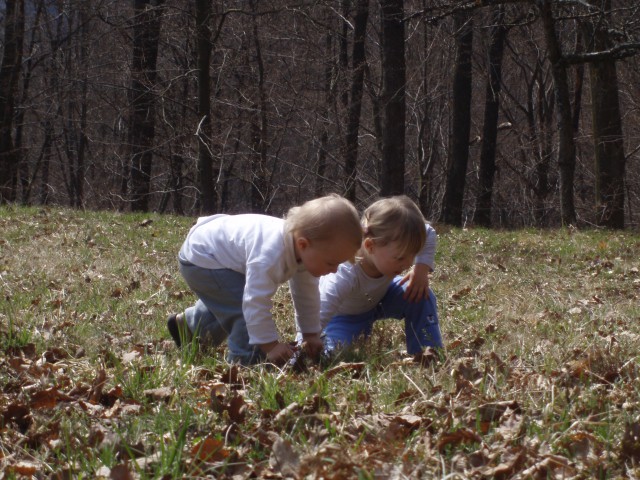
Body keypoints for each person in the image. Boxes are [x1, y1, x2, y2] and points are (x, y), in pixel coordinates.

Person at [167, 194, 362, 366]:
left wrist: (311, 334)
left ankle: (189, 327)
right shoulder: (271, 253)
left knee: (230, 300)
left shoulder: (303, 250)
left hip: (217, 254)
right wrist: (270, 346)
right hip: (202, 257)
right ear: (304, 244)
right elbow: (255, 302)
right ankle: (245, 364)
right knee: (242, 311)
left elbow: (307, 296)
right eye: (331, 263)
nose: (335, 270)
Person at [319, 195, 443, 358]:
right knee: (331, 354)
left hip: (382, 298)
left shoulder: (388, 253)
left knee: (420, 294)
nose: (407, 264)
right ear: (370, 246)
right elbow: (321, 308)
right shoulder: (345, 272)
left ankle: (428, 350)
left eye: (412, 255)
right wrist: (305, 341)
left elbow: (428, 233)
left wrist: (421, 269)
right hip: (344, 317)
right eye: (400, 258)